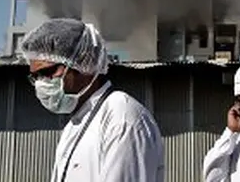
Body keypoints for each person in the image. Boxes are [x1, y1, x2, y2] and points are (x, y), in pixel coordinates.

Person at [20, 18, 165, 182]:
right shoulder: (74, 125)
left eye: (47, 72)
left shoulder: (122, 117)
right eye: (35, 77)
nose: (41, 82)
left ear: (83, 63)